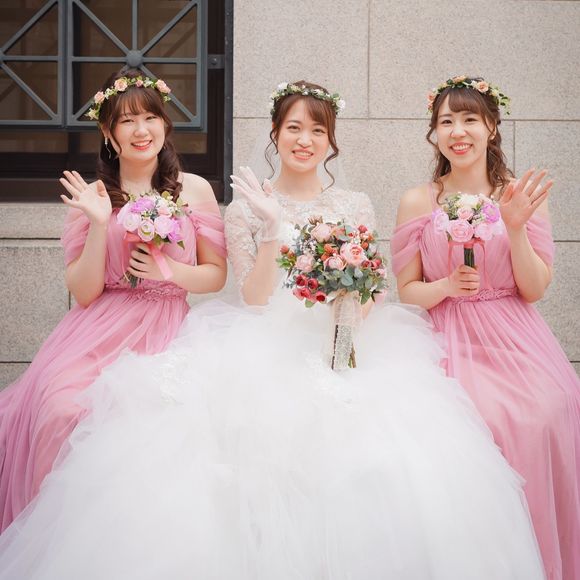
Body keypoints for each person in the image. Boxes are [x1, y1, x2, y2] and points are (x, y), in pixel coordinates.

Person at [0, 81, 544, 579]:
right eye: (294, 129)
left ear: (331, 141)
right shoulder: (245, 207)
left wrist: (346, 314)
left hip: (342, 341)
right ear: (275, 135)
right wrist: (269, 230)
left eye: (317, 131)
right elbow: (255, 299)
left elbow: (376, 289)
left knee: (386, 457)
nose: (305, 140)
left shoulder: (354, 204)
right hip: (267, 342)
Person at [0, 68, 227, 532]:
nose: (141, 131)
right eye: (127, 121)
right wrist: (100, 223)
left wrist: (168, 271)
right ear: (108, 132)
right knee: (62, 409)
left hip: (168, 328)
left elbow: (216, 276)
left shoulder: (195, 189)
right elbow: (84, 292)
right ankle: (53, 532)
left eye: (150, 118)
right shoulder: (93, 196)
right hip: (98, 330)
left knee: (152, 421)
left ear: (165, 124)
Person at [392, 75, 580, 580]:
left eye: (470, 119)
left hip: (515, 334)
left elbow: (534, 288)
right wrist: (447, 285)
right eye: (446, 121)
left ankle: (538, 559)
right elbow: (407, 289)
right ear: (434, 133)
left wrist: (514, 227)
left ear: (492, 127)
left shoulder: (519, 195)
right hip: (446, 335)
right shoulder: (418, 201)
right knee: (470, 423)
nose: (458, 131)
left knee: (543, 412)